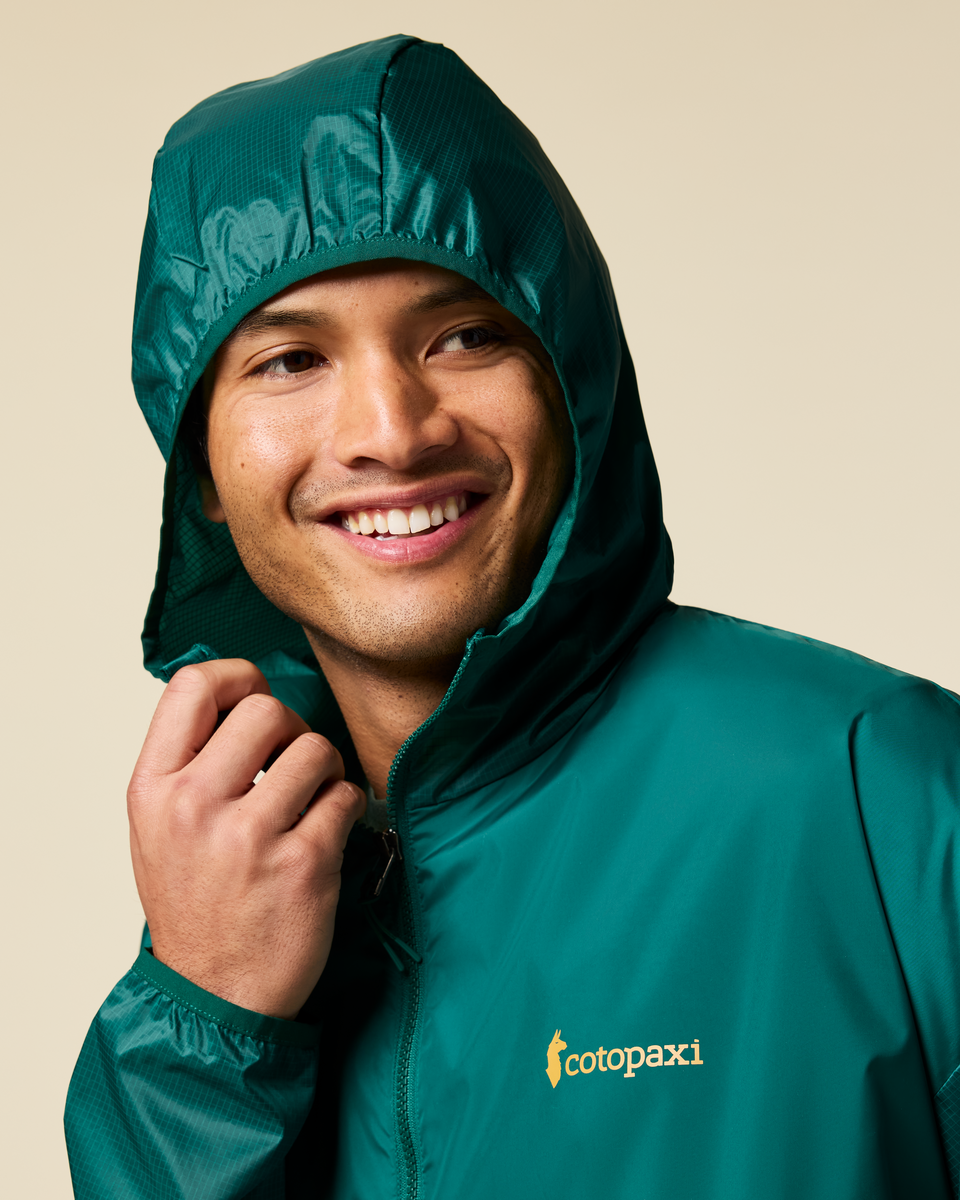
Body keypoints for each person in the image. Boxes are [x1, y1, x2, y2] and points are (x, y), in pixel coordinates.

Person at [64, 33, 960, 1200]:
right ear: (201, 473)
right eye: (290, 360)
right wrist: (205, 1029)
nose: (392, 430)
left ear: (571, 380)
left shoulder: (876, 792)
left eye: (465, 335)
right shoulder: (224, 914)